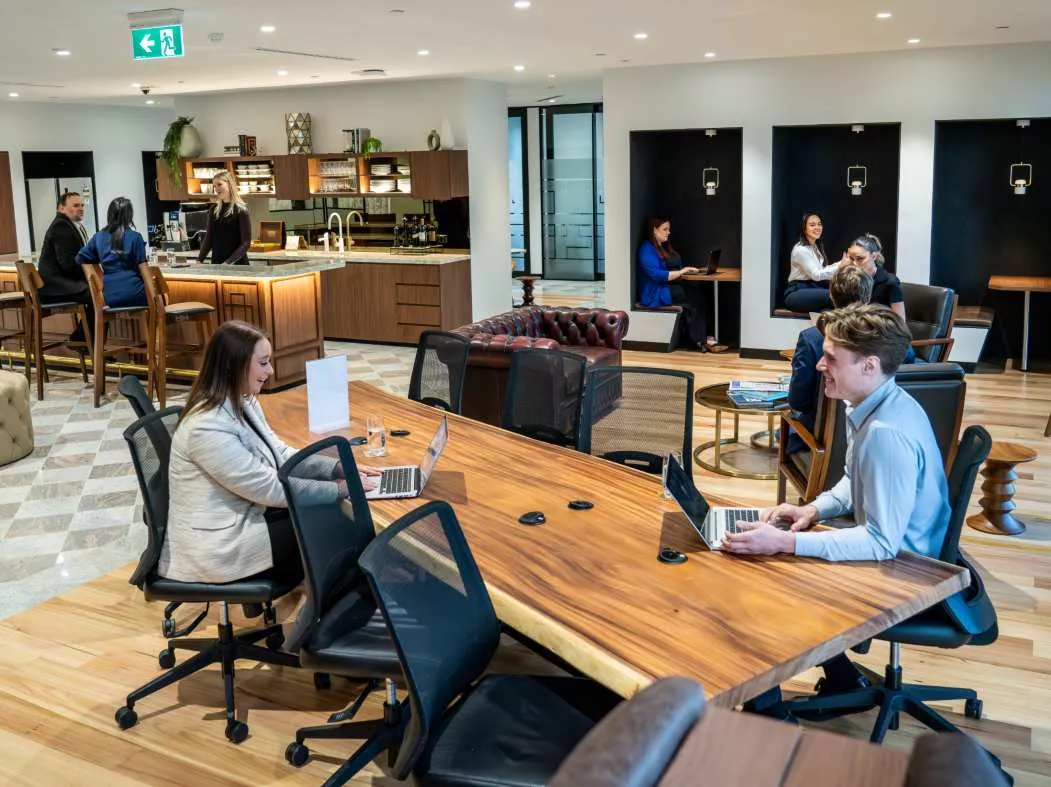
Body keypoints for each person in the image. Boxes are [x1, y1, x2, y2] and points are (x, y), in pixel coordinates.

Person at [728, 303, 950, 719]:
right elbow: (853, 482)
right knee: (776, 558)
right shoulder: (877, 403)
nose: (818, 365)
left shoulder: (886, 433)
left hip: (908, 570)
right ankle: (843, 679)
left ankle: (768, 719)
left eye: (831, 358)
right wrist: (811, 510)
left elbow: (882, 544)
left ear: (868, 366)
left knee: (765, 583)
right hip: (897, 547)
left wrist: (788, 543)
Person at [160, 320, 381, 585]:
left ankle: (355, 603)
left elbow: (280, 454)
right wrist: (340, 488)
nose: (271, 371)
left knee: (334, 521)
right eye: (263, 363)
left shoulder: (243, 401)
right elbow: (272, 489)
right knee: (337, 528)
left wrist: (335, 468)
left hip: (250, 516)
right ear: (234, 365)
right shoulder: (206, 426)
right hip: (220, 546)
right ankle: (327, 619)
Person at [785, 265, 916, 454]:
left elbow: (798, 400)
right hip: (884, 438)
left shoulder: (812, 338)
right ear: (868, 296)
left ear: (831, 295)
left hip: (822, 439)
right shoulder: (891, 337)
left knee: (787, 426)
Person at [637, 217, 727, 353]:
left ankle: (702, 338)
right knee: (696, 300)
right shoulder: (646, 249)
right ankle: (701, 340)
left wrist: (686, 270)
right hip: (656, 293)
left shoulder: (663, 246)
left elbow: (673, 267)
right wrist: (681, 272)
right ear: (654, 230)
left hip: (668, 287)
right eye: (665, 229)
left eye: (669, 229)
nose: (668, 232)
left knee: (699, 297)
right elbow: (657, 275)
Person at [37, 192, 93, 342]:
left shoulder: (71, 226)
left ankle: (83, 341)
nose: (81, 208)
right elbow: (68, 263)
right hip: (53, 287)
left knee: (97, 291)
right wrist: (91, 276)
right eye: (75, 206)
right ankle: (83, 342)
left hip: (59, 283)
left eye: (82, 205)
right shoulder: (61, 226)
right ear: (61, 208)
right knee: (96, 292)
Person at [76, 197, 148, 309]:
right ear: (129, 216)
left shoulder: (98, 237)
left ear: (109, 214)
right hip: (134, 293)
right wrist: (154, 297)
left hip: (108, 296)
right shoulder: (135, 237)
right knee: (161, 298)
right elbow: (144, 271)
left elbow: (81, 258)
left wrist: (97, 280)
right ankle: (146, 326)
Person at [783, 213, 842, 313]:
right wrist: (841, 265)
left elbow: (822, 270)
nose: (817, 227)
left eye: (819, 224)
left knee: (842, 294)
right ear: (804, 229)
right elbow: (816, 275)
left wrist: (840, 264)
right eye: (812, 225)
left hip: (810, 288)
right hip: (796, 292)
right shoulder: (801, 250)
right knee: (834, 296)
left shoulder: (815, 247)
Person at [845, 233, 906, 319]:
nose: (854, 264)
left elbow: (900, 321)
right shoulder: (851, 281)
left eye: (860, 258)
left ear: (874, 256)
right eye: (851, 259)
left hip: (882, 331)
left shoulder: (890, 282)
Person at [198, 170, 251, 265]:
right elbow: (209, 238)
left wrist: (227, 263)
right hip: (216, 263)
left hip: (237, 266)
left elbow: (245, 243)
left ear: (229, 184)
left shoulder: (241, 210)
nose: (216, 189)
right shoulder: (214, 209)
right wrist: (199, 259)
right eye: (214, 186)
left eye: (219, 184)